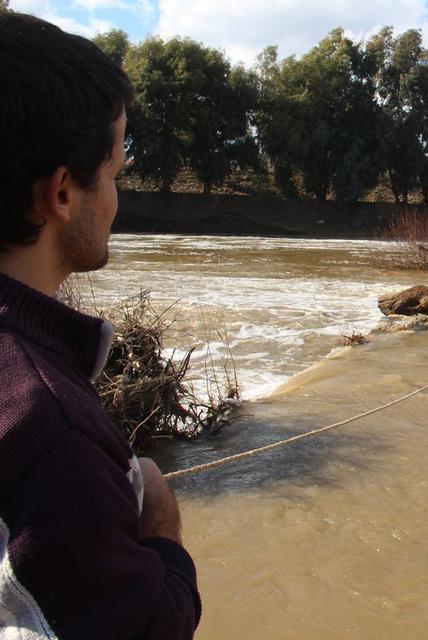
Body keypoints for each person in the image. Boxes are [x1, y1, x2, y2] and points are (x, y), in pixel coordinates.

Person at [0, 12, 201, 638]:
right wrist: (160, 524)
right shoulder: (51, 428)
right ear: (62, 193)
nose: (116, 198)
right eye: (115, 173)